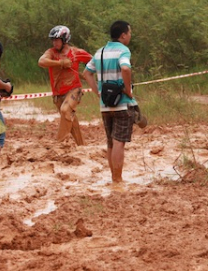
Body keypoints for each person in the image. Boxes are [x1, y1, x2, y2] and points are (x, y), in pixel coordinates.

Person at [83, 20, 137, 183]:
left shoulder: (100, 52)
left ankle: (114, 178)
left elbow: (86, 73)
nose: (130, 36)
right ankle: (118, 180)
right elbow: (126, 68)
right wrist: (128, 90)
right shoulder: (124, 51)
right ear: (123, 35)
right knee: (119, 141)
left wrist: (97, 92)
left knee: (110, 143)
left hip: (105, 105)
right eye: (129, 33)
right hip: (122, 103)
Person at [38, 25, 93, 145]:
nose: (54, 43)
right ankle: (81, 146)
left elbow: (93, 61)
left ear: (64, 40)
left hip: (74, 90)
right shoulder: (51, 53)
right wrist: (60, 63)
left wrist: (88, 74)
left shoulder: (76, 52)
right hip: (58, 94)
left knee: (65, 110)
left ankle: (59, 143)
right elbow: (41, 61)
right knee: (70, 121)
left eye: (56, 40)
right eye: (53, 40)